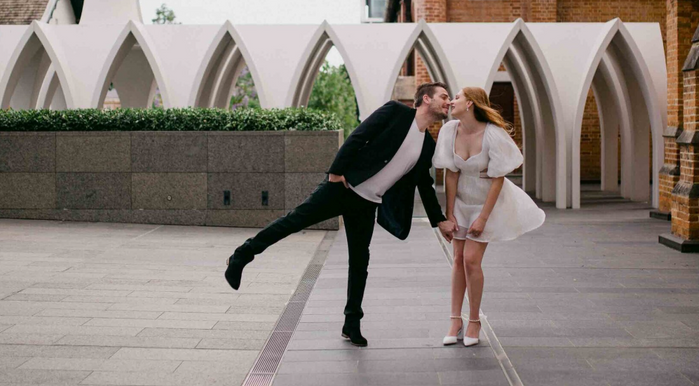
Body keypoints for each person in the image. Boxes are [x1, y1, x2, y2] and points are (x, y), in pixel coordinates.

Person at [224, 82, 458, 347]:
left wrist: (440, 220)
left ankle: (351, 323)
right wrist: (336, 171)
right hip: (343, 187)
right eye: (443, 96)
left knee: (360, 263)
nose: (447, 101)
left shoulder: (427, 144)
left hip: (368, 202)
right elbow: (360, 135)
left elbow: (424, 185)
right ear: (426, 99)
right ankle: (242, 255)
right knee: (293, 222)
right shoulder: (396, 112)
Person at [434, 87, 546, 347]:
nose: (452, 101)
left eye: (457, 97)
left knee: (471, 260)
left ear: (471, 103)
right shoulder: (449, 131)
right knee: (458, 258)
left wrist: (483, 218)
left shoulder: (493, 135)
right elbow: (450, 173)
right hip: (461, 200)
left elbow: (498, 179)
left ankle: (474, 320)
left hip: (488, 203)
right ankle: (454, 319)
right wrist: (449, 212)